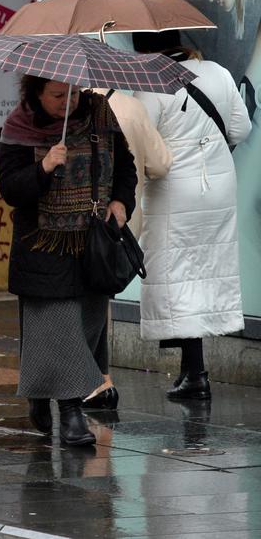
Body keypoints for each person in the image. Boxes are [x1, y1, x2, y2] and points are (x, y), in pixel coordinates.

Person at [0, 77, 136, 447]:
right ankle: (72, 413)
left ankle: (40, 392)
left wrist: (121, 202)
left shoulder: (100, 114)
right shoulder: (18, 125)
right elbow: (10, 189)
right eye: (58, 95)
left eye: (74, 93)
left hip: (93, 245)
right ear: (36, 93)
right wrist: (43, 167)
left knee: (87, 327)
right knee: (59, 330)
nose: (68, 102)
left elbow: (126, 167)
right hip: (43, 246)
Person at [133, 31, 251, 401]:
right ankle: (193, 370)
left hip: (174, 190)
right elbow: (241, 128)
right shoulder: (217, 72)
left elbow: (142, 141)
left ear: (146, 50)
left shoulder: (150, 83)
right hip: (217, 186)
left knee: (178, 274)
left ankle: (195, 372)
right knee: (202, 268)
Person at [78, 87, 172, 411]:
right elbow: (160, 164)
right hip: (122, 223)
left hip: (88, 225)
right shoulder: (132, 106)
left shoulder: (72, 110)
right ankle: (100, 378)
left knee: (91, 298)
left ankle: (99, 379)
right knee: (99, 296)